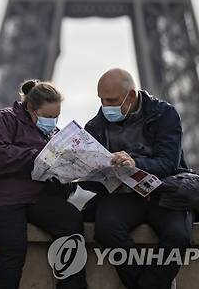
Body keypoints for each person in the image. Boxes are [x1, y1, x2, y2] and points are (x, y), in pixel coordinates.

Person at [0, 79, 88, 289]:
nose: (53, 121)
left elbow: (55, 182)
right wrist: (37, 156)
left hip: (33, 198)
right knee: (14, 244)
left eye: (56, 116)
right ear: (31, 109)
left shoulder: (54, 135)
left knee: (71, 223)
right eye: (48, 116)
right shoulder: (0, 120)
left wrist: (69, 175)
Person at [82, 68, 191, 289]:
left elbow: (169, 163)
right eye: (101, 100)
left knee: (178, 235)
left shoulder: (164, 114)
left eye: (111, 100)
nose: (105, 106)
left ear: (131, 96)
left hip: (161, 193)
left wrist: (135, 164)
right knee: (106, 228)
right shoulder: (95, 127)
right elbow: (91, 181)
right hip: (123, 195)